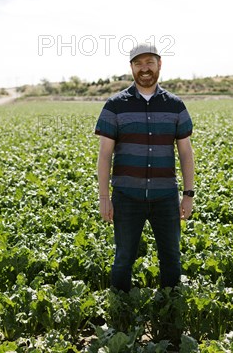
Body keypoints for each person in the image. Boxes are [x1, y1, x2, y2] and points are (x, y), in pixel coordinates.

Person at [94, 43, 195, 293]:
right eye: (138, 64)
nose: (144, 69)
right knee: (123, 259)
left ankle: (170, 319)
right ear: (131, 68)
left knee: (171, 260)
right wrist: (104, 197)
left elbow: (185, 153)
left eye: (149, 62)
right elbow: (105, 155)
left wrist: (188, 195)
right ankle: (121, 317)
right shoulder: (115, 105)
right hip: (127, 197)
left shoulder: (175, 106)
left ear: (159, 64)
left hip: (165, 197)